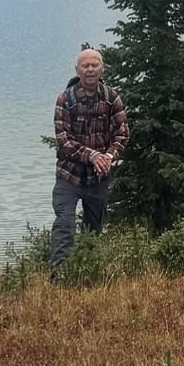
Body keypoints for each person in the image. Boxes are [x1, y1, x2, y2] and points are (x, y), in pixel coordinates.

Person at [50, 46, 129, 273]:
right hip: (68, 177)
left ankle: (88, 276)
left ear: (102, 69)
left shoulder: (112, 98)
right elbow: (64, 141)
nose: (90, 69)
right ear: (78, 70)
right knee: (64, 225)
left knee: (93, 231)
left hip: (98, 178)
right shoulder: (65, 99)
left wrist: (109, 156)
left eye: (95, 65)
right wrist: (92, 156)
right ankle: (59, 278)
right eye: (86, 66)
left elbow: (122, 133)